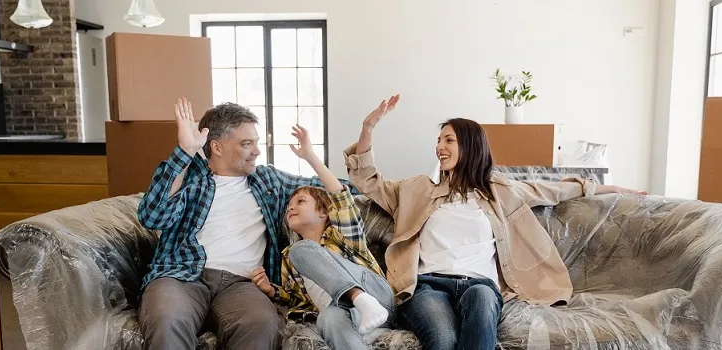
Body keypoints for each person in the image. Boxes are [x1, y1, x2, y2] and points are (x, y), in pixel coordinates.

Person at [343, 94, 647, 350]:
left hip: (478, 284)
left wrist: (611, 189)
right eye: (438, 140)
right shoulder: (416, 189)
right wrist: (368, 128)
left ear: (471, 146)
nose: (440, 146)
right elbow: (366, 179)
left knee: (482, 299)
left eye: (449, 140)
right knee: (443, 338)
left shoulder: (499, 191)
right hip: (427, 286)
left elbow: (555, 188)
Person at [136, 98, 349, 350]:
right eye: (247, 144)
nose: (257, 151)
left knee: (261, 323)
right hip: (182, 275)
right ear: (217, 147)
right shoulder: (190, 175)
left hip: (242, 283)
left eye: (255, 142)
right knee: (166, 319)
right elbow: (152, 216)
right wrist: (185, 152)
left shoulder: (268, 180)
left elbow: (337, 190)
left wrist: (380, 185)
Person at [252, 125, 395, 350]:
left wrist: (309, 156)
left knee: (303, 249)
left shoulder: (343, 235)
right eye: (289, 205)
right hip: (340, 310)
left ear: (323, 212)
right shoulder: (290, 257)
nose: (291, 208)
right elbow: (297, 298)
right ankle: (356, 302)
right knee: (327, 318)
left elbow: (340, 197)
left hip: (377, 296)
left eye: (300, 202)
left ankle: (359, 297)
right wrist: (272, 291)